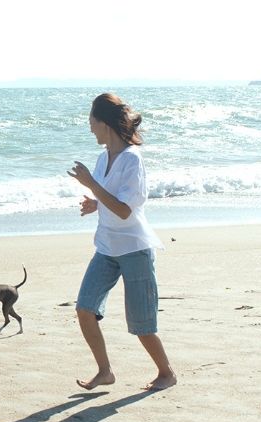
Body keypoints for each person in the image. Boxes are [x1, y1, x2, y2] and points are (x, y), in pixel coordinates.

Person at [67, 93, 177, 391]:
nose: (90, 129)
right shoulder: (104, 157)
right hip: (106, 247)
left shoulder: (131, 160)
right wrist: (95, 203)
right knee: (84, 308)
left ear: (104, 124)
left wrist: (91, 184)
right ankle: (105, 371)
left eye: (92, 122)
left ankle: (166, 373)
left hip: (134, 249)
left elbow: (126, 210)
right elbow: (110, 199)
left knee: (142, 324)